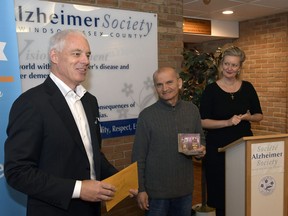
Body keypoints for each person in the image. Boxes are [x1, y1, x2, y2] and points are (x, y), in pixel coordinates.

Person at [4, 29, 136, 216]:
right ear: (54, 56)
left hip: (91, 210)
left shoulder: (90, 101)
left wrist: (122, 181)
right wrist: (78, 189)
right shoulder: (31, 103)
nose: (86, 61)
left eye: (88, 55)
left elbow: (92, 155)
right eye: (77, 54)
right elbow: (17, 172)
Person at [132, 67, 206, 216]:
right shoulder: (146, 116)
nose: (165, 88)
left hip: (184, 191)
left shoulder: (192, 110)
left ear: (179, 83)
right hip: (156, 194)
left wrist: (200, 151)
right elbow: (138, 157)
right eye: (159, 84)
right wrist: (141, 189)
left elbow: (201, 139)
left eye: (169, 82)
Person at [199, 46, 263, 216]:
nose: (230, 68)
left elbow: (259, 115)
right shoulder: (211, 90)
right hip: (218, 151)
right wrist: (227, 122)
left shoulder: (248, 87)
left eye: (234, 65)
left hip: (243, 149)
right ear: (221, 65)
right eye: (227, 64)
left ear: (240, 68)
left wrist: (246, 118)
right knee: (220, 197)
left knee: (243, 192)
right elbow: (202, 121)